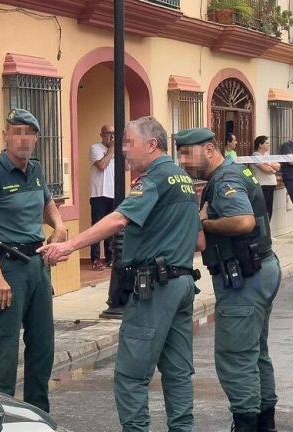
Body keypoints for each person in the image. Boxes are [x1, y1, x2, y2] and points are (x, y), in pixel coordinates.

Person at [39, 117, 203, 431]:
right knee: (178, 372)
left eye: (129, 142)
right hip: (182, 283)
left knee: (130, 376)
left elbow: (118, 219)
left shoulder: (152, 179)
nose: (124, 149)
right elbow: (199, 240)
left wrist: (70, 245)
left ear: (151, 145)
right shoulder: (182, 178)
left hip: (155, 287)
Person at [176, 127, 281, 432]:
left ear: (209, 150)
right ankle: (265, 423)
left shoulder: (226, 180)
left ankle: (247, 422)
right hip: (260, 270)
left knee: (236, 357)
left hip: (245, 279)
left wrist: (204, 223)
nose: (183, 161)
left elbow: (244, 221)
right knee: (255, 352)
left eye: (187, 153)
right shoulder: (235, 172)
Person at [0, 108, 66, 412]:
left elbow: (48, 204)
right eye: (16, 132)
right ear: (5, 136)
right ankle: (2, 415)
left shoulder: (36, 170)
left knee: (42, 346)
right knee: (5, 348)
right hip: (8, 268)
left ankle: (38, 413)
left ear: (36, 138)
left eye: (28, 132)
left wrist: (60, 227)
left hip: (38, 265)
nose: (22, 139)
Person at [90, 125, 116, 271]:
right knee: (97, 227)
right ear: (101, 134)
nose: (111, 136)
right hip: (99, 194)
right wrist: (112, 149)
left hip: (113, 193)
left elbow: (126, 167)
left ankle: (110, 258)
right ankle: (95, 259)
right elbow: (102, 165)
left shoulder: (117, 150)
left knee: (110, 228)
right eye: (108, 133)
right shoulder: (95, 148)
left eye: (113, 133)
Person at [251, 135, 280, 219]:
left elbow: (278, 166)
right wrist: (271, 167)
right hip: (262, 185)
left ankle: (267, 229)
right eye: (266, 143)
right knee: (263, 209)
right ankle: (263, 230)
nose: (269, 145)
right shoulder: (255, 156)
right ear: (260, 144)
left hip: (271, 185)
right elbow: (266, 169)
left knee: (269, 209)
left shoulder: (268, 155)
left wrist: (270, 165)